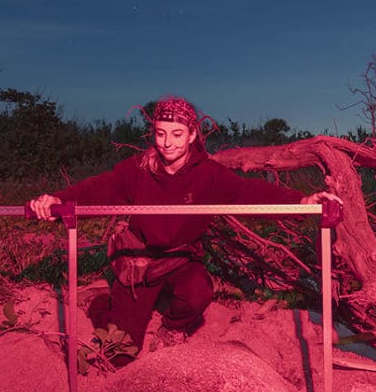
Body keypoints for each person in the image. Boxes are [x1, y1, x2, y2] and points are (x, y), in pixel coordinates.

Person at [29, 96, 340, 363]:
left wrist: (303, 201)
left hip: (180, 260)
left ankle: (173, 327)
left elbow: (249, 193)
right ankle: (97, 301)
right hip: (139, 261)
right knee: (119, 353)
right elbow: (101, 187)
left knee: (197, 292)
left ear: (192, 135)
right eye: (161, 134)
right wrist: (60, 200)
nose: (168, 143)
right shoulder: (138, 168)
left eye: (177, 134)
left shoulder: (209, 174)